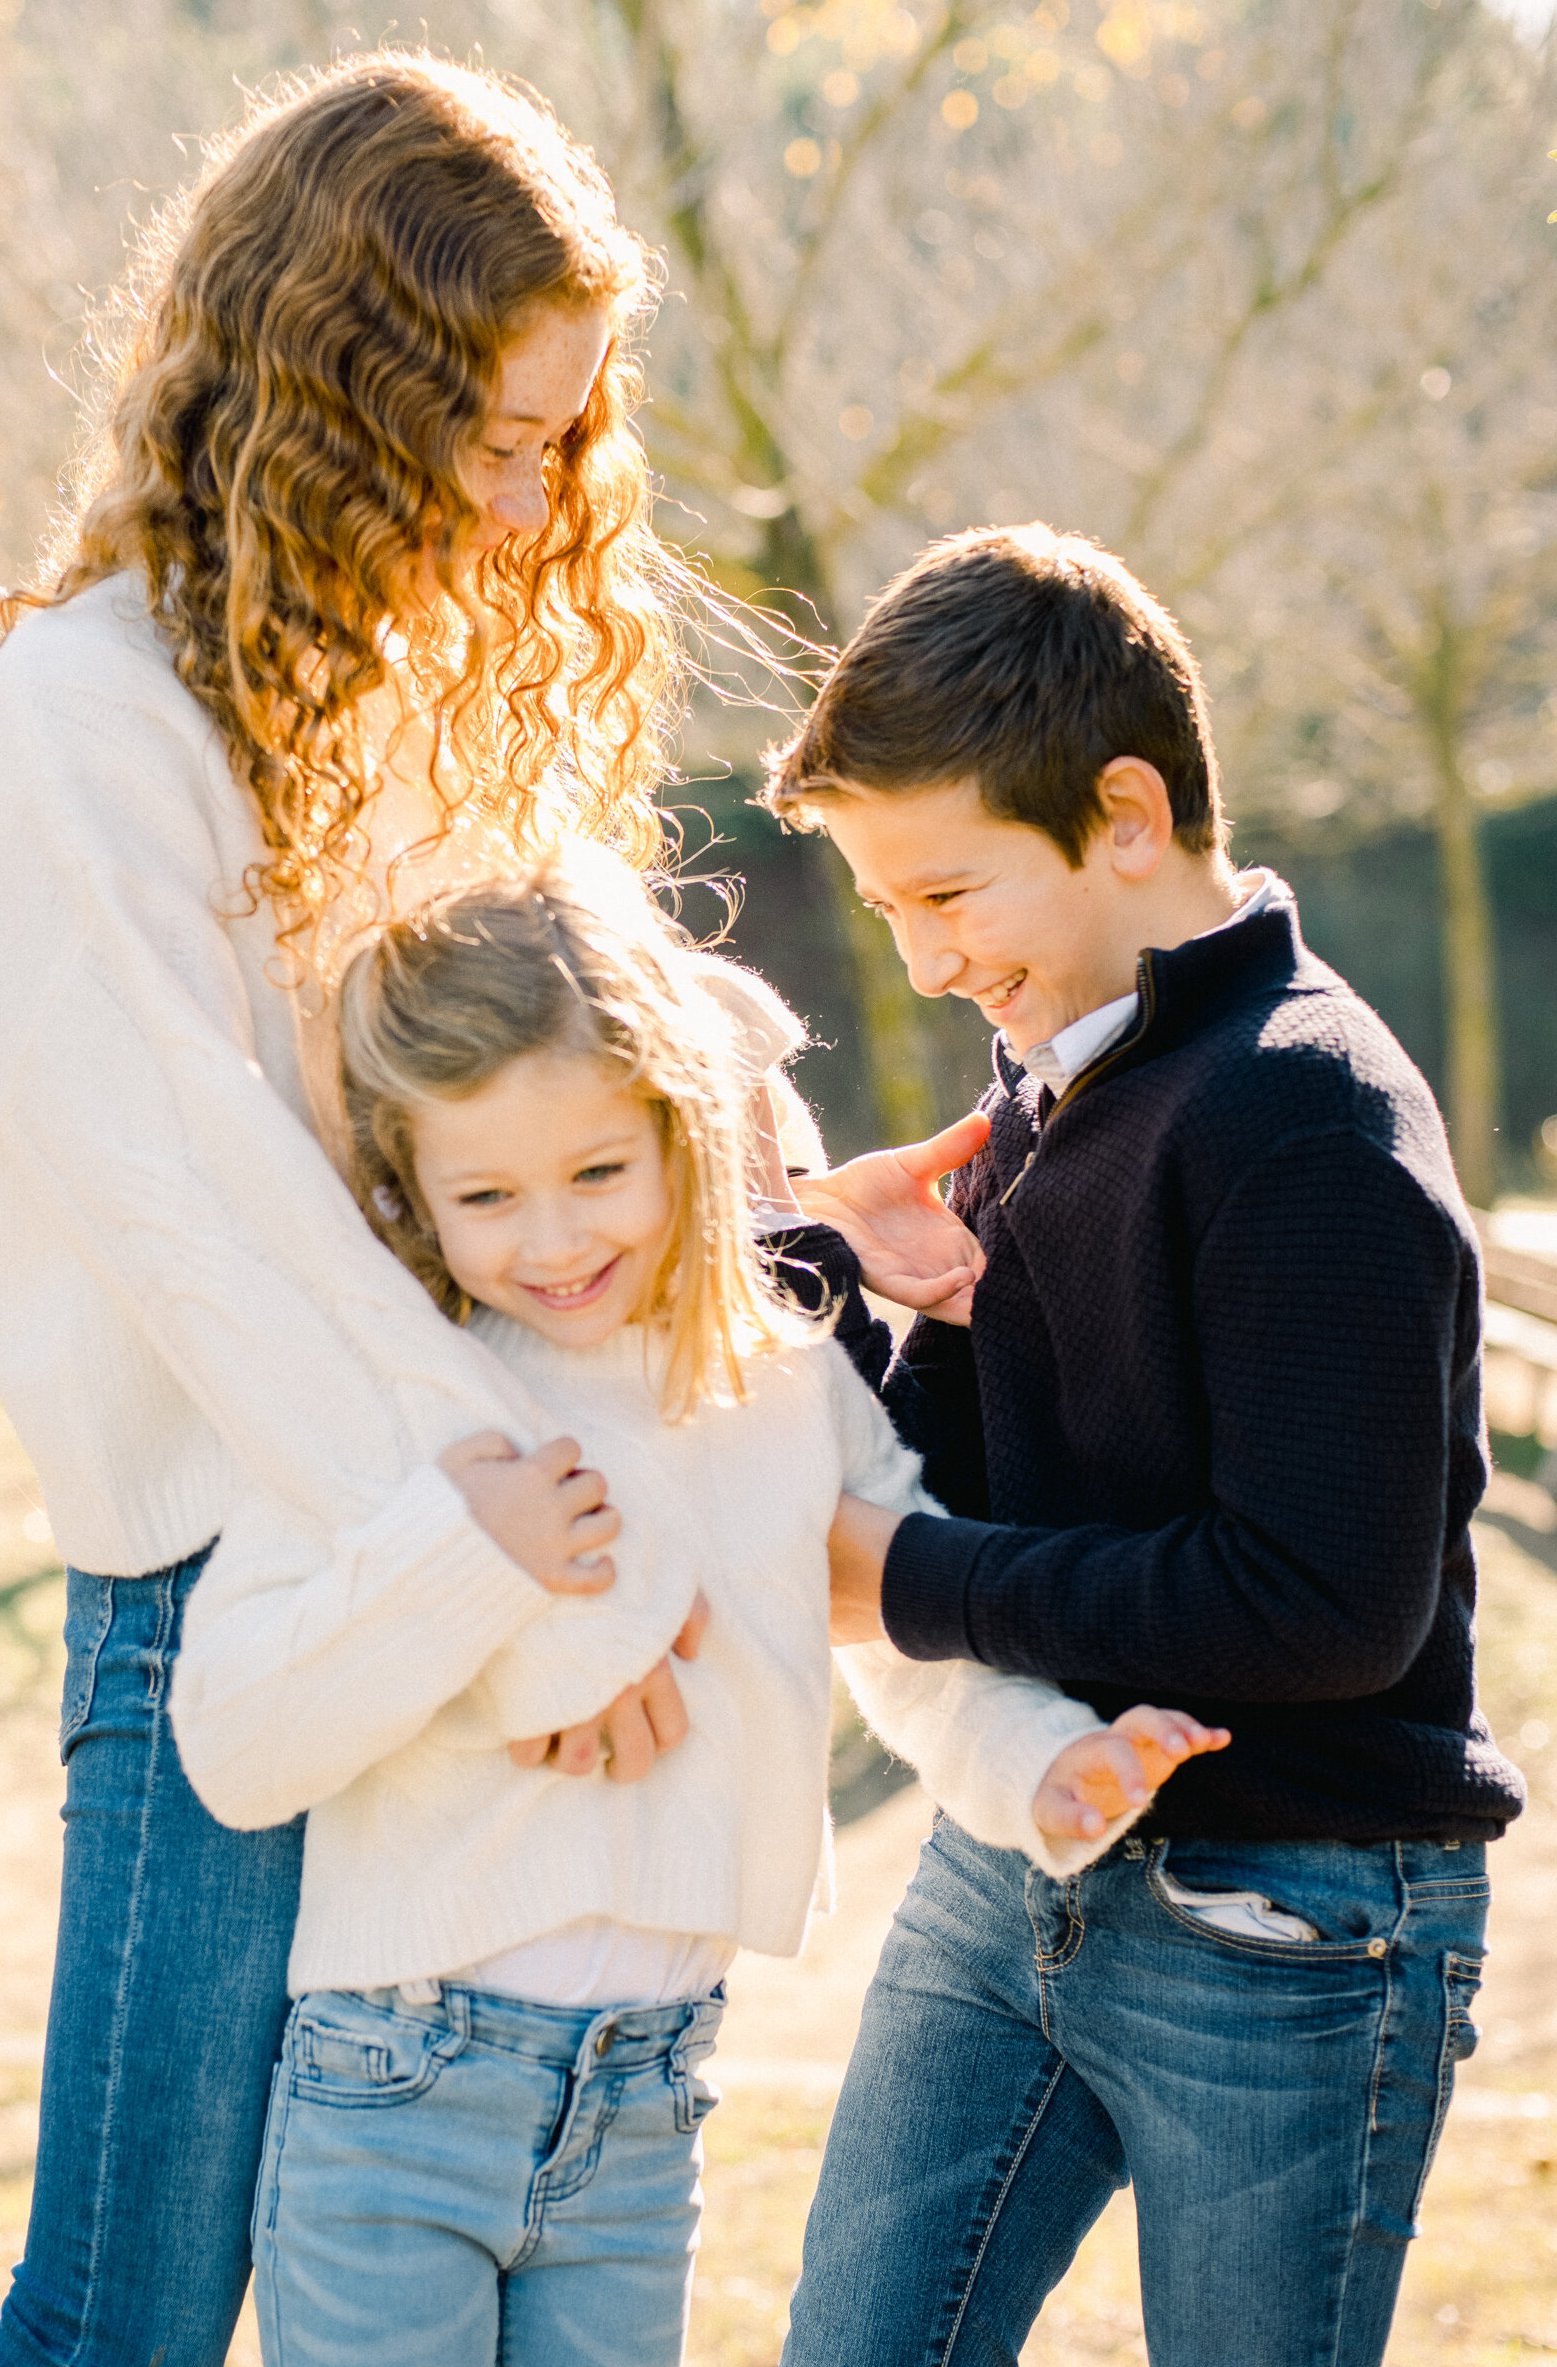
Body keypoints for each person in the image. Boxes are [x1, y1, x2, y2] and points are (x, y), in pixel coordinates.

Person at [0, 51, 760, 2367]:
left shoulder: (397, 700)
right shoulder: (93, 715)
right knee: (126, 2315)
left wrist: (795, 1203)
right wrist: (513, 1588)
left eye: (562, 446)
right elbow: (211, 1229)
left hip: (470, 1540)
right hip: (233, 1588)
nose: (527, 504)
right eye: (490, 438)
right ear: (332, 391)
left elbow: (590, 1061)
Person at [166, 854, 1226, 2367]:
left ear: (682, 1136)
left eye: (598, 1173)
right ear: (413, 1189)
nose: (552, 1242)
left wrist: (1043, 1767)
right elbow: (238, 1743)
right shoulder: (405, 1402)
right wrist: (477, 1554)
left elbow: (898, 1618)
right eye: (486, 1196)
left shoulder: (778, 1384)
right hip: (397, 2093)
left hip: (647, 2110)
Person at [764, 523, 1527, 2367]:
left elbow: (1321, 1603)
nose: (931, 961)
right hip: (1020, 1852)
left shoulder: (1302, 1116)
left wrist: (908, 1586)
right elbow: (1010, 1454)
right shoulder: (1067, 1075)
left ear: (1122, 813)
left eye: (950, 897)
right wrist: (828, 1271)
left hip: (1288, 1908)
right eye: (889, 916)